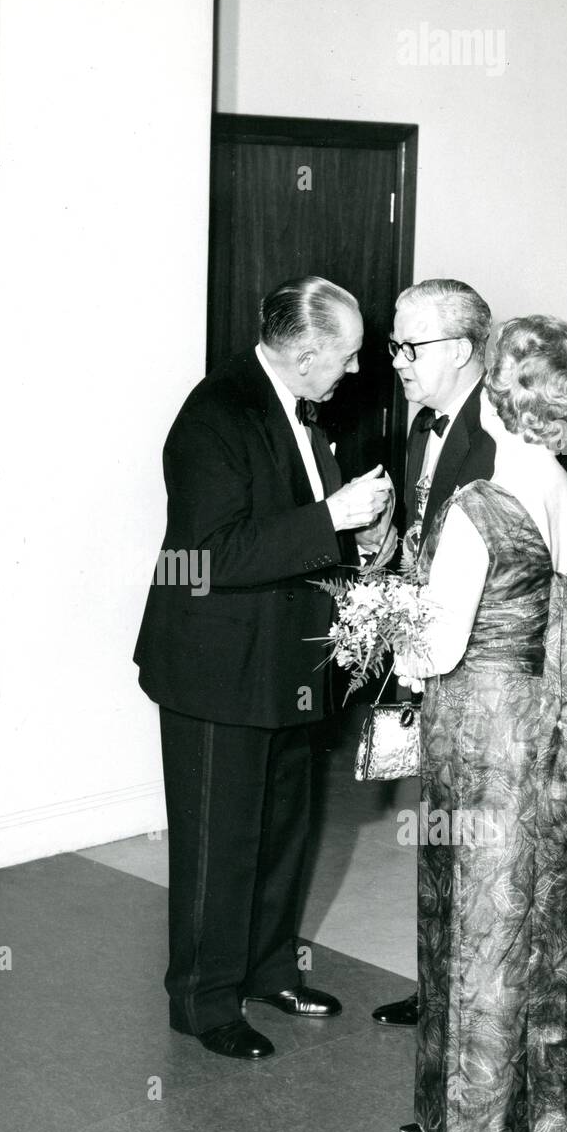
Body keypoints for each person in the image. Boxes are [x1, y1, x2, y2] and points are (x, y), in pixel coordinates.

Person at [134, 276, 395, 1060]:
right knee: (221, 841)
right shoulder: (216, 414)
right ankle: (203, 1000)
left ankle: (270, 968)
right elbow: (202, 558)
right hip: (216, 669)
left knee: (285, 827)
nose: (353, 372)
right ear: (307, 350)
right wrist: (330, 518)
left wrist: (359, 537)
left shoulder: (301, 407)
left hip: (289, 660)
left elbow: (293, 527)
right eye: (345, 357)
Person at [395, 315, 567, 1132]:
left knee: (476, 921)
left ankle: (472, 1129)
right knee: (540, 909)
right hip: (551, 730)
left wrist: (386, 636)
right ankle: (544, 1117)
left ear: (495, 397)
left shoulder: (478, 506)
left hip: (482, 732)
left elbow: (433, 650)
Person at [372, 278, 495, 1029]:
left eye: (408, 347)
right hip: (429, 656)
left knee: (479, 838)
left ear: (456, 350)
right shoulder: (423, 424)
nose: (397, 362)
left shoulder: (507, 435)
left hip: (481, 666)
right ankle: (439, 985)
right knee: (439, 826)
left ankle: (473, 999)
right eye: (394, 345)